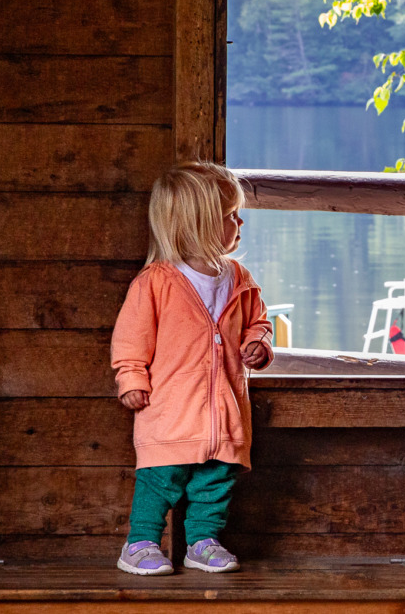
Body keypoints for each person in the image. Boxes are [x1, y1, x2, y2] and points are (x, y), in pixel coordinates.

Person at [111, 162, 274, 575]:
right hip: (169, 411)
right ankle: (140, 543)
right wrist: (131, 378)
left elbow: (259, 321)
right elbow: (130, 339)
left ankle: (203, 542)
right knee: (159, 478)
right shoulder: (155, 282)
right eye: (231, 216)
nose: (240, 223)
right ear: (198, 224)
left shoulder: (239, 278)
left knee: (216, 480)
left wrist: (258, 343)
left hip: (225, 412)